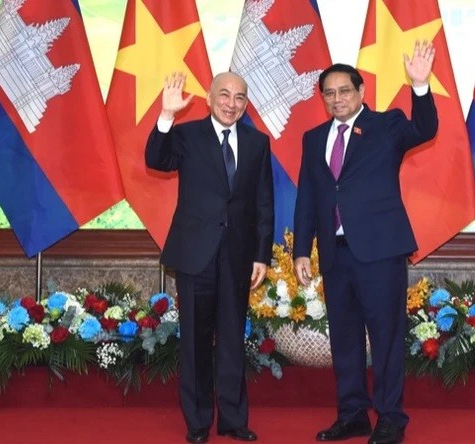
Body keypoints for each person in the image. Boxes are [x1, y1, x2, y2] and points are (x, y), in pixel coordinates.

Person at [293, 41, 437, 444]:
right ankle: (352, 414)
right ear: (322, 98)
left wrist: (421, 86)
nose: (337, 98)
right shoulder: (313, 137)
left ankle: (390, 418)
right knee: (344, 340)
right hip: (335, 256)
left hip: (379, 253)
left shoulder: (387, 126)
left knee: (387, 338)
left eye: (344, 91)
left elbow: (424, 129)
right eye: (329, 93)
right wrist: (302, 249)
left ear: (360, 93)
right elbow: (308, 195)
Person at [146, 71, 273, 443]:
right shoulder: (185, 135)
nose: (232, 104)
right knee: (197, 343)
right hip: (195, 255)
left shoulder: (257, 142)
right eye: (225, 95)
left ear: (246, 104)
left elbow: (263, 203)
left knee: (233, 340)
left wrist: (261, 255)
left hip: (238, 257)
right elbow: (157, 159)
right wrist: (167, 116)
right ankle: (198, 422)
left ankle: (234, 420)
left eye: (240, 98)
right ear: (209, 98)